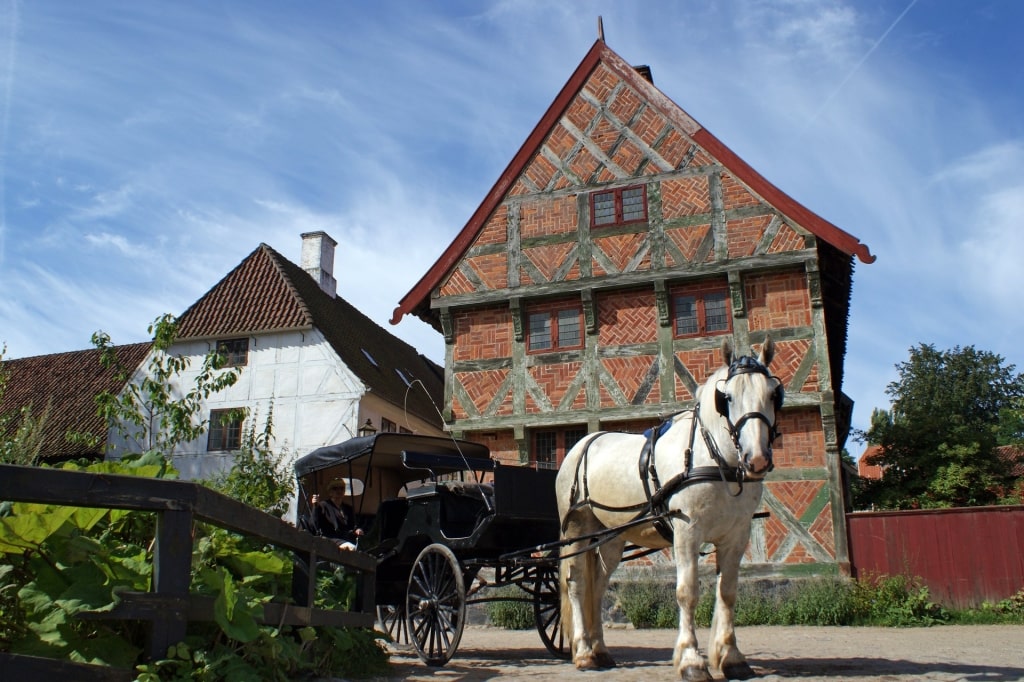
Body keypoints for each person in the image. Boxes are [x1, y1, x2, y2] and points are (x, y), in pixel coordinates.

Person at [312, 478, 363, 550]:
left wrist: (357, 530)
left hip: (347, 538)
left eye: (342, 488)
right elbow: (314, 524)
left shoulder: (348, 508)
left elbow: (353, 526)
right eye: (335, 488)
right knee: (352, 548)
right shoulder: (323, 505)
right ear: (330, 492)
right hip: (331, 539)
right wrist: (315, 506)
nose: (339, 491)